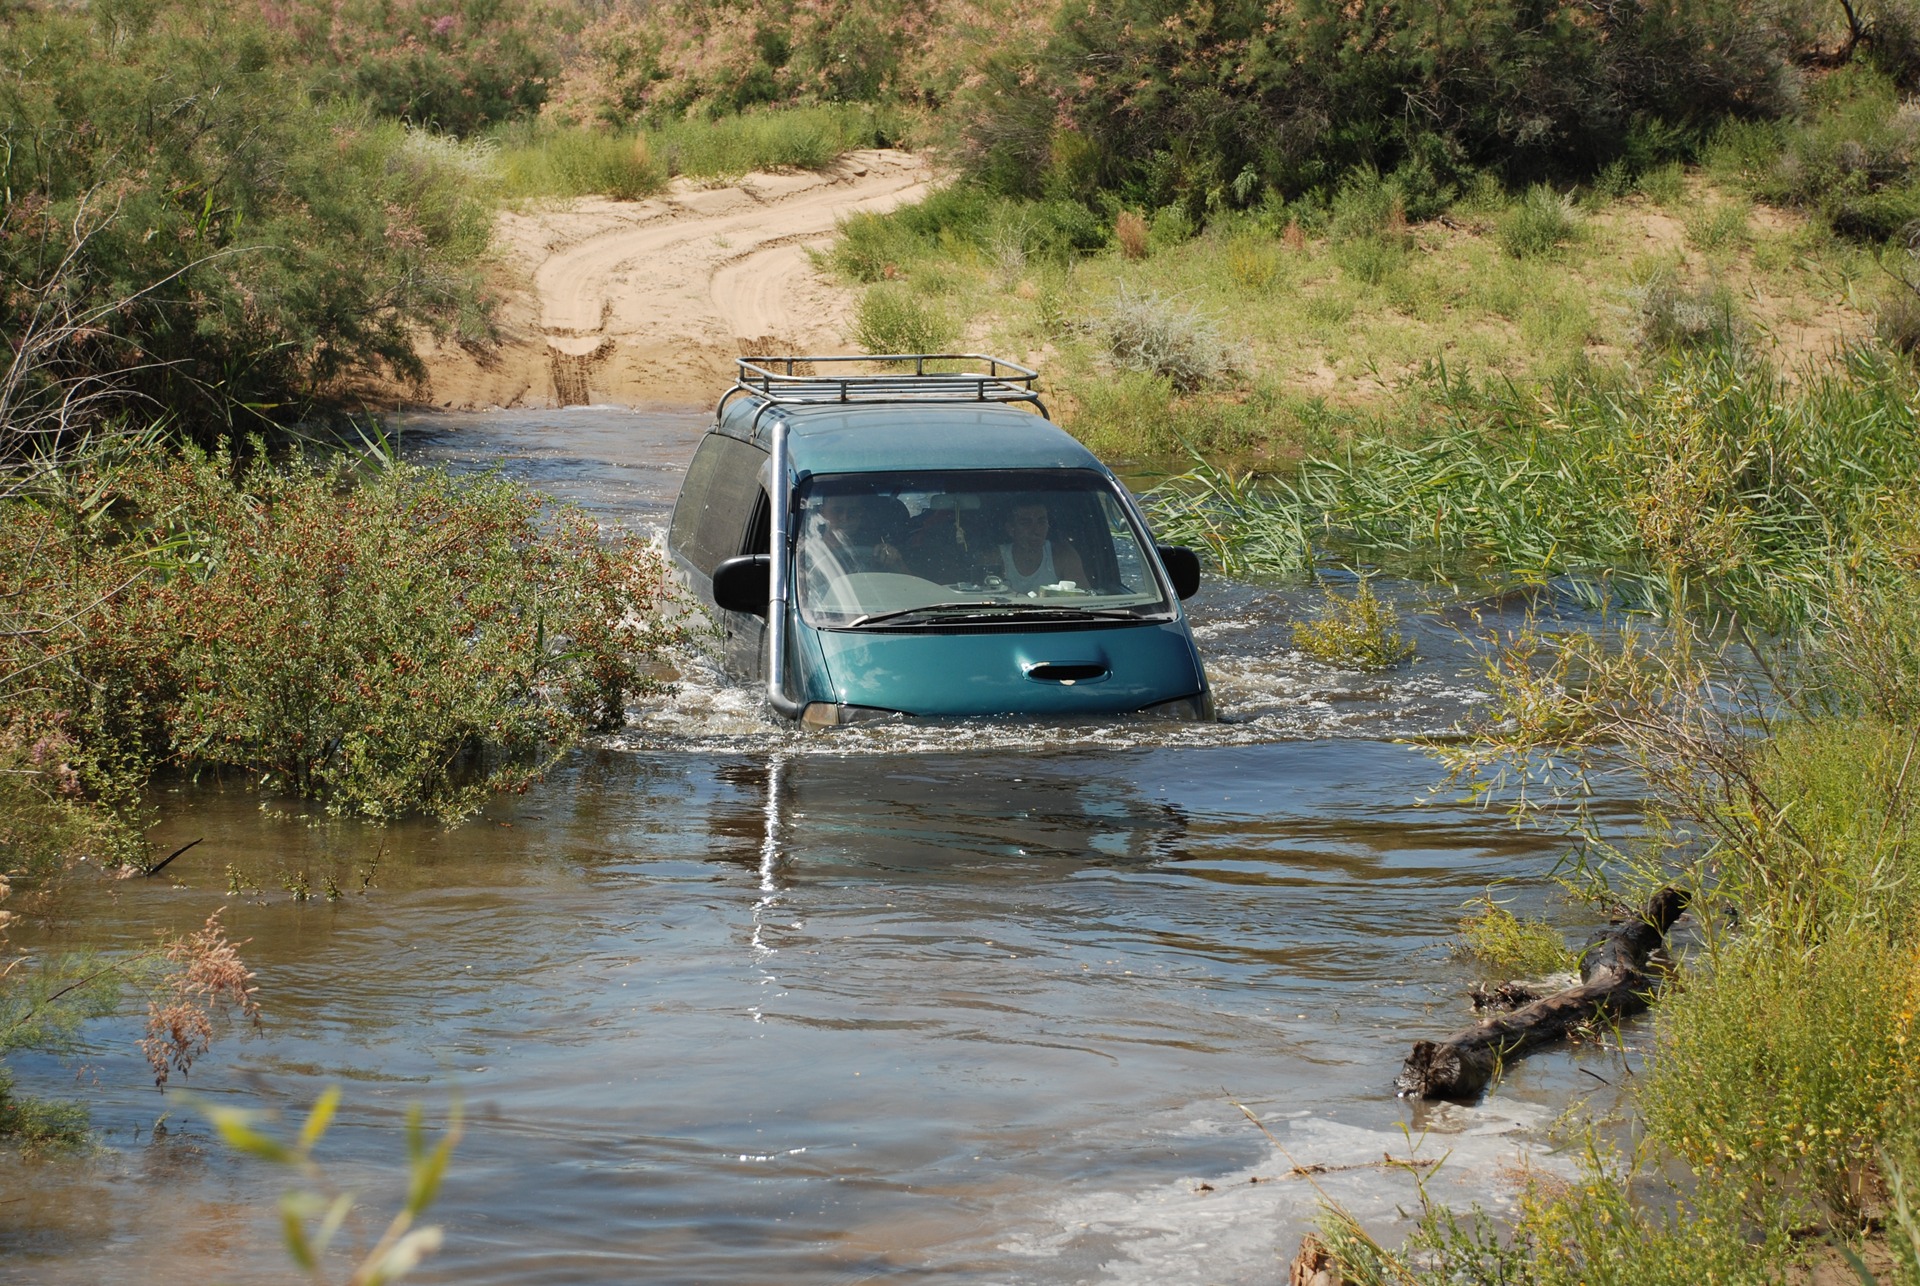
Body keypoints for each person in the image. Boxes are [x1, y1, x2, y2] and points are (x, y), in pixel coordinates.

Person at [997, 500, 1086, 592]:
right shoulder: (995, 559)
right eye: (1026, 523)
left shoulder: (1064, 556)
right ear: (1011, 529)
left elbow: (1084, 599)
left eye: (1041, 522)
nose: (1036, 530)